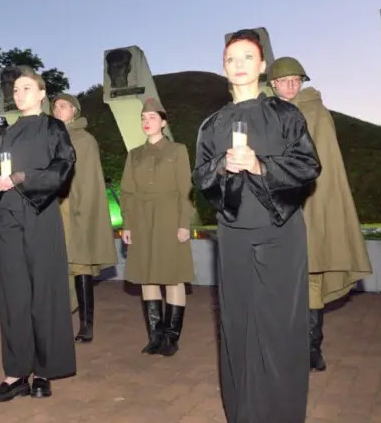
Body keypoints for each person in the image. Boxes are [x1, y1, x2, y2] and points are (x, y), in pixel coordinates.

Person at [193, 30, 321, 423]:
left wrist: (259, 166)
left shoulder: (286, 114)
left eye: (248, 57)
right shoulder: (211, 124)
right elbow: (200, 178)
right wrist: (222, 168)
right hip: (233, 234)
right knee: (237, 325)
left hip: (279, 232)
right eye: (232, 59)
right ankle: (243, 411)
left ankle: (281, 413)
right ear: (224, 68)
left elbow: (308, 167)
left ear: (262, 65)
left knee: (279, 327)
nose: (240, 65)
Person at [269, 56, 373, 372]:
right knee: (279, 279)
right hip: (275, 205)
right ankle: (284, 345)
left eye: (295, 80)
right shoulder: (266, 113)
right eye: (283, 81)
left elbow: (325, 165)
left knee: (312, 275)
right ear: (272, 84)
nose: (290, 86)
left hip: (311, 204)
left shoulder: (315, 111)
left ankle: (312, 348)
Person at [0, 67, 76, 403]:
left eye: (25, 88)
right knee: (14, 294)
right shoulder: (7, 133)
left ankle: (45, 371)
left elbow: (64, 167)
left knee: (44, 292)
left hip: (41, 213)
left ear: (40, 93)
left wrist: (22, 177)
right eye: (15, 90)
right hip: (9, 217)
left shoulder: (54, 128)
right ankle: (16, 372)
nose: (18, 94)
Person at [119, 98, 195, 356]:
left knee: (173, 276)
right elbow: (127, 192)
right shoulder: (134, 155)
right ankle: (155, 336)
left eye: (152, 117)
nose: (146, 122)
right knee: (146, 276)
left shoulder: (177, 151)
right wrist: (127, 224)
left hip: (169, 217)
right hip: (141, 219)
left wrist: (184, 223)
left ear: (163, 122)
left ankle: (172, 337)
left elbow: (186, 190)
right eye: (143, 118)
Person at [52, 93, 118, 344]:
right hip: (54, 210)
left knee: (81, 265)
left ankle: (86, 325)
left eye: (63, 106)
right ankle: (58, 320)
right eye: (55, 106)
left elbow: (89, 179)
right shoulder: (51, 136)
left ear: (75, 110)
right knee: (58, 265)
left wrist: (83, 207)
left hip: (77, 209)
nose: (58, 110)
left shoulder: (85, 140)